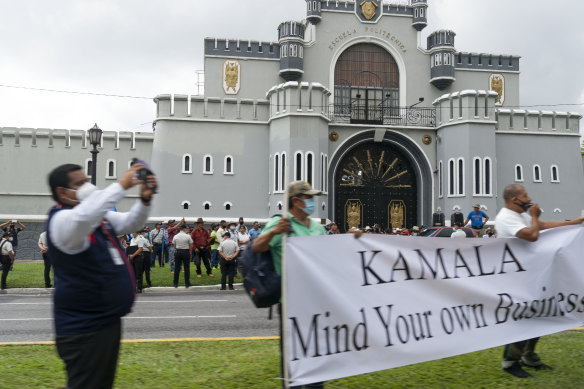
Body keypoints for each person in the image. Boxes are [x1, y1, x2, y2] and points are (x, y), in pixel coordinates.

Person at [46, 162, 156, 389]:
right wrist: (122, 185)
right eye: (79, 184)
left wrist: (144, 200)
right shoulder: (62, 220)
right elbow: (83, 217)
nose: (87, 186)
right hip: (83, 329)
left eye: (87, 181)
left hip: (105, 322)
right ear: (62, 192)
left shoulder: (98, 219)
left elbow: (130, 222)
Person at [495, 184, 584, 378]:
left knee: (540, 315)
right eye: (525, 195)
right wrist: (534, 216)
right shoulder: (506, 217)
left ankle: (529, 357)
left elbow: (542, 226)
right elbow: (532, 235)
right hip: (517, 278)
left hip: (533, 275)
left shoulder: (521, 215)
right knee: (523, 319)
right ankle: (510, 362)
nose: (529, 197)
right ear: (514, 200)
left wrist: (574, 223)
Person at [252, 180, 326, 389]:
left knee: (317, 354)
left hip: (316, 302)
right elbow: (256, 247)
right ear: (296, 201)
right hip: (291, 303)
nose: (312, 201)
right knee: (292, 358)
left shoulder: (318, 228)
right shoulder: (281, 224)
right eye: (309, 198)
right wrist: (274, 232)